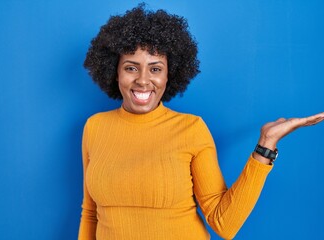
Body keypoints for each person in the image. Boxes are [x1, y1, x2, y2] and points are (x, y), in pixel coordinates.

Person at [78, 4, 324, 240]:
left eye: (155, 69)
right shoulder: (95, 127)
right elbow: (90, 214)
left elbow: (224, 224)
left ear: (168, 75)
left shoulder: (191, 129)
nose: (143, 80)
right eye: (131, 68)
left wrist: (266, 145)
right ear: (115, 71)